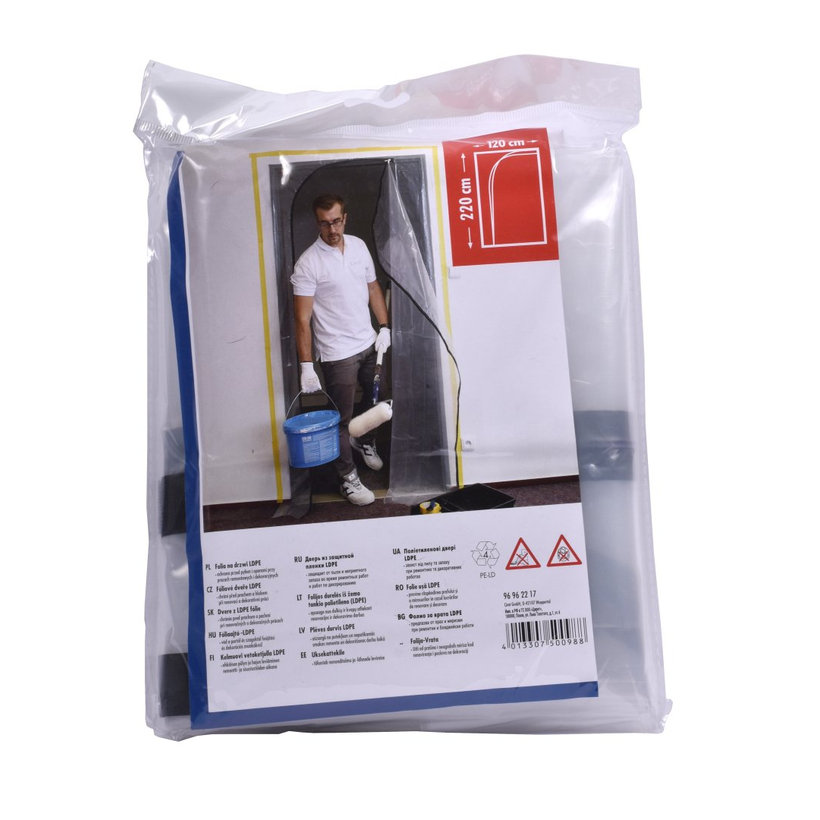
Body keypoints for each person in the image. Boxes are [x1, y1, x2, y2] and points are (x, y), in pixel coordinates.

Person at [290, 194, 391, 505]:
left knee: (378, 402)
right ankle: (348, 478)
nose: (332, 229)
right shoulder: (308, 263)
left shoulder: (359, 246)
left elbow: (373, 287)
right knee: (340, 421)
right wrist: (307, 366)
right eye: (324, 223)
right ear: (317, 223)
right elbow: (302, 319)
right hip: (337, 354)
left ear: (345, 218)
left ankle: (365, 440)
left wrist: (384, 326)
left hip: (368, 342)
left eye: (336, 221)